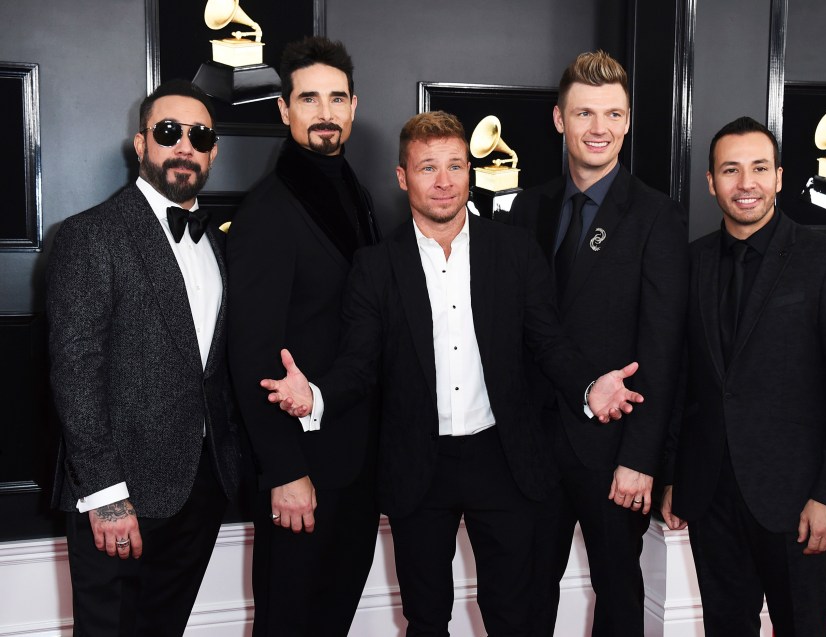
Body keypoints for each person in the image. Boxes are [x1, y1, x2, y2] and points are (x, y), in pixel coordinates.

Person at [260, 111, 646, 636]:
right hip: (419, 464)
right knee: (426, 618)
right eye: (427, 168)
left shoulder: (513, 251)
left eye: (455, 166)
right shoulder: (375, 266)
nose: (443, 182)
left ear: (469, 172)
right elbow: (358, 364)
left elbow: (549, 343)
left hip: (504, 459)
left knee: (514, 617)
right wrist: (317, 397)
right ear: (403, 177)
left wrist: (587, 387)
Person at [661, 116, 826, 637]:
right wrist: (672, 474)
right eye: (731, 170)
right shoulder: (691, 263)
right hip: (711, 494)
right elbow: (680, 378)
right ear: (712, 182)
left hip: (798, 498)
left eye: (759, 168)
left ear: (780, 177)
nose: (746, 183)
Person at [46, 79, 241, 636]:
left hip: (200, 491)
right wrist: (105, 496)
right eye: (168, 132)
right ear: (141, 144)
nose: (185, 145)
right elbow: (76, 372)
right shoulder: (92, 235)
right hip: (118, 495)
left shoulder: (220, 245)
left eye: (199, 135)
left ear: (213, 151)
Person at [507, 50, 689, 635]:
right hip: (533, 445)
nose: (599, 128)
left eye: (612, 114)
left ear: (628, 120)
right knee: (526, 590)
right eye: (584, 114)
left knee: (617, 590)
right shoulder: (525, 209)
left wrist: (641, 460)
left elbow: (662, 347)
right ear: (560, 120)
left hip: (613, 453)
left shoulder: (657, 216)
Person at [226, 36, 381, 636]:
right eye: (308, 98)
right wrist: (284, 471)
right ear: (284, 110)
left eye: (336, 98)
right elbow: (251, 351)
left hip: (357, 463)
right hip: (302, 470)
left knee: (332, 620)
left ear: (353, 107)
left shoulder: (357, 195)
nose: (324, 112)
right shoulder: (268, 209)